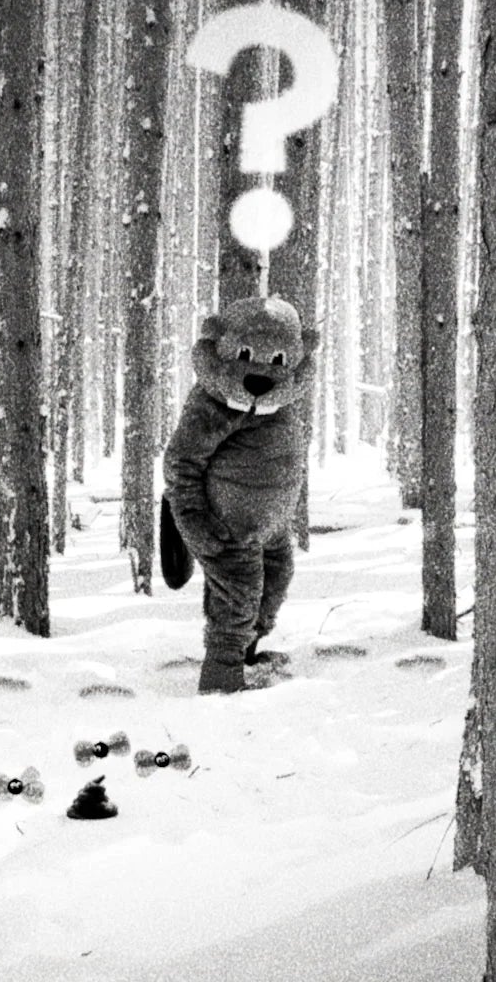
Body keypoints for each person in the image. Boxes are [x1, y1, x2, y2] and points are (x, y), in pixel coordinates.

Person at [161, 296, 319, 694]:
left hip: (268, 528)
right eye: (246, 355)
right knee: (238, 595)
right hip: (225, 529)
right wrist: (195, 522)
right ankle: (221, 675)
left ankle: (246, 652)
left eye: (277, 361)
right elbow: (181, 463)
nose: (261, 375)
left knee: (274, 581)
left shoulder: (281, 405)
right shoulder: (213, 405)